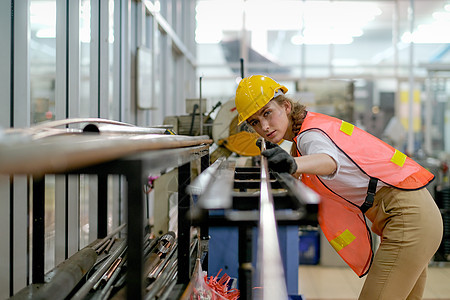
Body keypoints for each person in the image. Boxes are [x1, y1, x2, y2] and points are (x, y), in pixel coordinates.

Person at [234, 74, 443, 300]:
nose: (264, 126)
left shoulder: (309, 134)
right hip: (411, 216)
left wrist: (293, 164)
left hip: (407, 218)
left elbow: (328, 160)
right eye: (255, 122)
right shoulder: (307, 131)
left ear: (285, 106)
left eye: (267, 113)